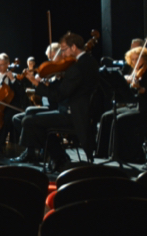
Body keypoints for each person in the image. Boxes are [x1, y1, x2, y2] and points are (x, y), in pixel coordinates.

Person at [11, 32, 99, 171]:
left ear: (73, 47)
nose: (62, 54)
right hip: (78, 111)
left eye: (64, 50)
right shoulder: (89, 61)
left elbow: (58, 96)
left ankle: (56, 156)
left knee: (29, 121)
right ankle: (55, 156)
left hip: (74, 114)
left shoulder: (77, 67)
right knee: (28, 117)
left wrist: (36, 82)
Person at [95, 46, 147, 163]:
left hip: (146, 108)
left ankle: (122, 154)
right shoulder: (133, 71)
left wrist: (139, 87)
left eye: (137, 59)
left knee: (120, 119)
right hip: (133, 105)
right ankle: (103, 152)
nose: (134, 62)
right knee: (106, 116)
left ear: (145, 59)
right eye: (132, 59)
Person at [0, 53, 25, 150]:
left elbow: (21, 93)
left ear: (8, 64)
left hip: (10, 106)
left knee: (5, 118)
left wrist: (12, 80)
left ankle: (1, 144)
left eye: (2, 65)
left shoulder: (15, 76)